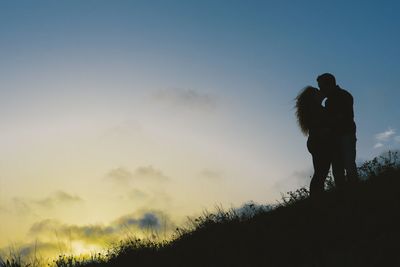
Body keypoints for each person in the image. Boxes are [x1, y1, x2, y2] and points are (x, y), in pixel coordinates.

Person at [317, 73, 358, 189]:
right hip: (336, 138)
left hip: (346, 135)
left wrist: (330, 124)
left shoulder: (344, 96)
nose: (321, 90)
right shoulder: (328, 101)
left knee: (348, 165)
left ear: (329, 84)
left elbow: (344, 117)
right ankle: (344, 195)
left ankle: (355, 193)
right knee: (337, 168)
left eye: (321, 86)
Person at [295, 86, 333, 198]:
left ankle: (316, 197)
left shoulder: (314, 108)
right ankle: (316, 198)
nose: (320, 92)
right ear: (313, 96)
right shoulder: (315, 109)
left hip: (316, 142)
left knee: (320, 172)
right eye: (317, 91)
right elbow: (318, 126)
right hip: (319, 142)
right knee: (321, 173)